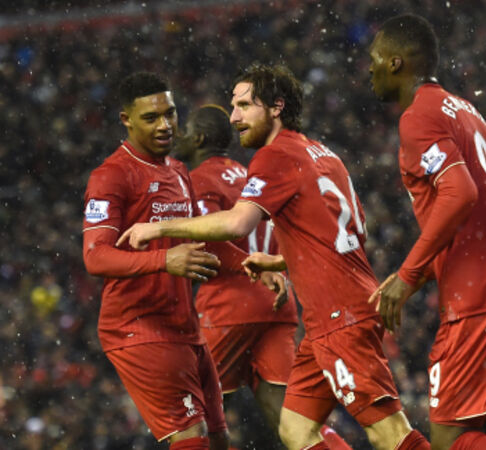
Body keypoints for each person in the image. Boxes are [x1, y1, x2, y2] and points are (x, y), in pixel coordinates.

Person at [116, 64, 430, 450]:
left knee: (388, 433)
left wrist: (160, 227)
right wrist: (280, 262)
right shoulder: (323, 153)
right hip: (331, 313)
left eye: (245, 106)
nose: (234, 117)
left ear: (277, 107)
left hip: (337, 314)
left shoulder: (274, 156)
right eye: (234, 106)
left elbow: (237, 224)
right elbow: (349, 232)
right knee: (295, 430)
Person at [367, 14, 486, 450]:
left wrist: (407, 276)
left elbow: (460, 193)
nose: (369, 69)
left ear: (395, 62)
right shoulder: (466, 110)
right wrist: (410, 276)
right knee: (476, 435)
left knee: (450, 441)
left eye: (374, 58)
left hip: (482, 296)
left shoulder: (418, 116)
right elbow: (472, 214)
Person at [173, 104, 350, 450]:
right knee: (290, 416)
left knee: (196, 416)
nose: (178, 137)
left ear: (199, 139)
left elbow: (209, 241)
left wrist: (249, 267)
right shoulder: (250, 176)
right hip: (277, 305)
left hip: (228, 307)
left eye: (186, 131)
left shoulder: (200, 180)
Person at [82, 72, 242, 450]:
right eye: (151, 118)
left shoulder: (179, 171)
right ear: (126, 120)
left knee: (219, 438)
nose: (165, 125)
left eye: (169, 114)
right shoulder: (111, 176)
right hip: (138, 327)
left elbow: (201, 239)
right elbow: (95, 256)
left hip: (185, 327)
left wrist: (254, 265)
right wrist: (163, 259)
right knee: (191, 437)